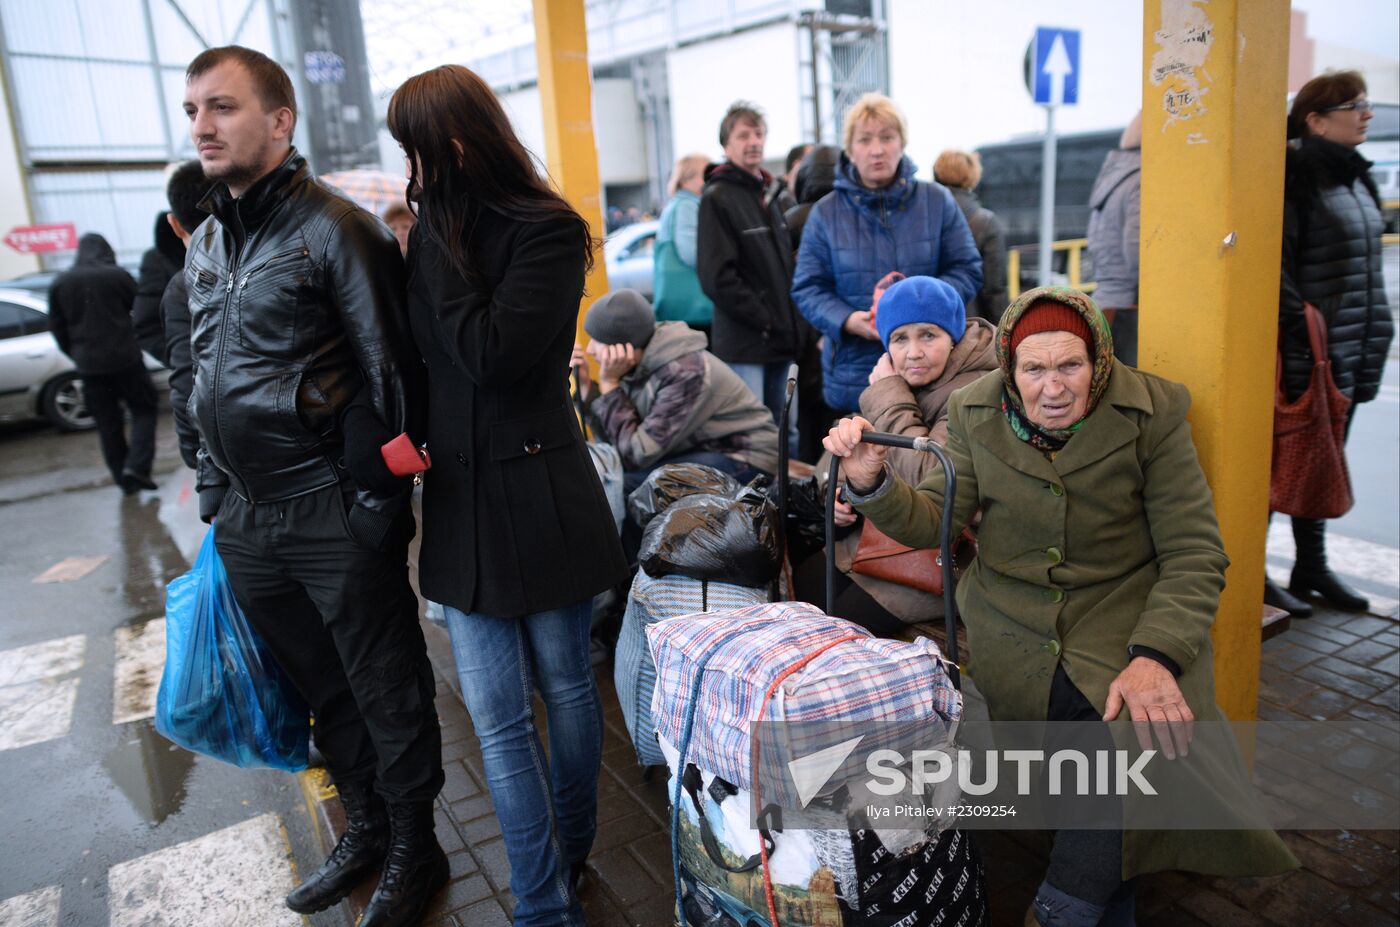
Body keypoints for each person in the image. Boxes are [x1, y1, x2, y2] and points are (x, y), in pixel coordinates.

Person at [825, 286, 1296, 925]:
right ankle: (1094, 905)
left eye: (1069, 365)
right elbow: (935, 519)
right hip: (1009, 619)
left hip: (1122, 615)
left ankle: (1058, 910)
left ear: (1097, 361)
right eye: (1034, 369)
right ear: (1010, 371)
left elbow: (1194, 554)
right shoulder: (973, 411)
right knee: (1085, 758)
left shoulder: (1151, 414)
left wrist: (1155, 654)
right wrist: (868, 479)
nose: (1053, 387)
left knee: (1129, 738)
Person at [182, 46, 445, 926]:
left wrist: (376, 507)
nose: (203, 126)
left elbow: (397, 380)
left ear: (280, 119)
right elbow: (198, 374)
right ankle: (366, 824)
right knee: (322, 691)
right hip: (249, 519)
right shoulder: (209, 239)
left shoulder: (337, 228)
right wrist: (216, 498)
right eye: (193, 111)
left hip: (331, 509)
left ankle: (418, 842)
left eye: (222, 107)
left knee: (386, 684)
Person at [387, 64, 629, 927]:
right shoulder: (427, 233)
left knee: (567, 690)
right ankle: (539, 905)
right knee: (497, 721)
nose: (410, 165)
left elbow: (492, 353)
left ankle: (568, 850)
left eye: (416, 145)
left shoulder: (548, 230)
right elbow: (417, 363)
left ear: (451, 140)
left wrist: (436, 247)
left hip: (540, 489)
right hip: (456, 500)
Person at [792, 275, 996, 634]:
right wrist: (842, 495)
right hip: (883, 539)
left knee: (836, 626)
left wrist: (887, 392)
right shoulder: (911, 380)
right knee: (804, 583)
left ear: (955, 336)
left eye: (928, 335)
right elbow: (852, 453)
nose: (913, 352)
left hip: (949, 555)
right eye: (900, 338)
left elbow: (928, 475)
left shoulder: (976, 388)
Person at [1272, 70, 1394, 616]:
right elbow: (1277, 269)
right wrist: (1303, 333)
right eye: (1355, 104)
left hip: (1354, 342)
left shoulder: (1355, 177)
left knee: (1324, 457)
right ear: (1317, 120)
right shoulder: (1296, 177)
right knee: (1283, 460)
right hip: (1313, 350)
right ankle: (1253, 573)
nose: (1366, 113)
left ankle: (1311, 566)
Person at [792, 92, 982, 415]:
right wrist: (847, 319)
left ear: (902, 142)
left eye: (887, 137)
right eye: (865, 140)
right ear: (850, 150)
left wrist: (925, 309)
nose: (877, 149)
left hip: (932, 371)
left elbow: (967, 268)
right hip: (855, 371)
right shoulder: (826, 214)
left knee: (925, 461)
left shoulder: (936, 201)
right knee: (859, 459)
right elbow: (807, 287)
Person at [574, 288, 779, 494]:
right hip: (698, 450)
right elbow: (616, 445)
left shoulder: (684, 371)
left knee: (627, 488)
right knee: (612, 479)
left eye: (599, 340)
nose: (590, 349)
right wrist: (586, 388)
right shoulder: (639, 363)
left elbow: (635, 455)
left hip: (745, 459)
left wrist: (609, 384)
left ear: (626, 346)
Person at [697, 100, 806, 444]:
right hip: (746, 344)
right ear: (726, 145)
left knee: (787, 433)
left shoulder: (769, 195)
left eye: (759, 133)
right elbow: (716, 277)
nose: (754, 141)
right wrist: (765, 318)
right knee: (755, 438)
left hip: (781, 340)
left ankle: (789, 499)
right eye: (744, 135)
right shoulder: (718, 198)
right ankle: (759, 501)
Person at [47, 233, 157, 495]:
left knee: (107, 422)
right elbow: (141, 310)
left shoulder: (61, 282)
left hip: (89, 366)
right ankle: (137, 468)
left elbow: (57, 328)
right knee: (144, 410)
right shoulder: (117, 276)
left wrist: (77, 354)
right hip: (126, 360)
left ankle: (122, 478)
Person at [157, 159, 210, 470]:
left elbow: (186, 380)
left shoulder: (183, 286)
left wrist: (195, 455)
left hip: (232, 458)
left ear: (175, 224)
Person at [1085, 113, 1142, 365]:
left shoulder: (1114, 178)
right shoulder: (1142, 180)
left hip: (1106, 302)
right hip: (1129, 308)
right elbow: (1137, 249)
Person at [933, 149, 1009, 323]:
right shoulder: (986, 221)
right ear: (972, 177)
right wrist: (1004, 334)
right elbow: (994, 287)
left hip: (927, 322)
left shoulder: (922, 216)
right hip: (971, 324)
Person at [651, 153, 714, 338]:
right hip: (695, 310)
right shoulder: (687, 205)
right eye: (706, 175)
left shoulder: (676, 204)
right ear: (687, 179)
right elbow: (692, 253)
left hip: (681, 310)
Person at [132, 212, 184, 359]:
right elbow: (147, 326)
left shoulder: (223, 249)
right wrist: (183, 361)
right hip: (196, 369)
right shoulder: (159, 259)